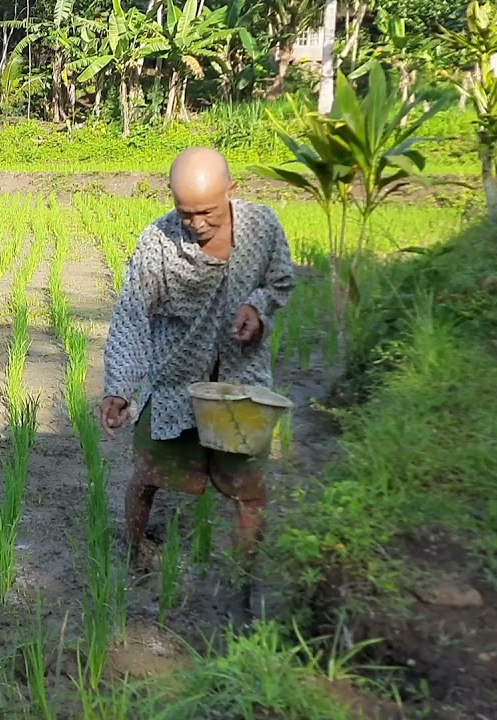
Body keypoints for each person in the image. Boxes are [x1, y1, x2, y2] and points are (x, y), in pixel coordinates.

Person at [98, 147, 295, 606]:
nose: (196, 223)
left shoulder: (262, 227)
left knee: (248, 489)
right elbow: (132, 315)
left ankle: (241, 581)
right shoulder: (158, 243)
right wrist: (121, 388)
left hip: (240, 386)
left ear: (232, 191)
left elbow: (281, 280)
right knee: (147, 473)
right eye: (185, 212)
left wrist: (258, 308)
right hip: (176, 385)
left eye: (206, 212)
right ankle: (132, 553)